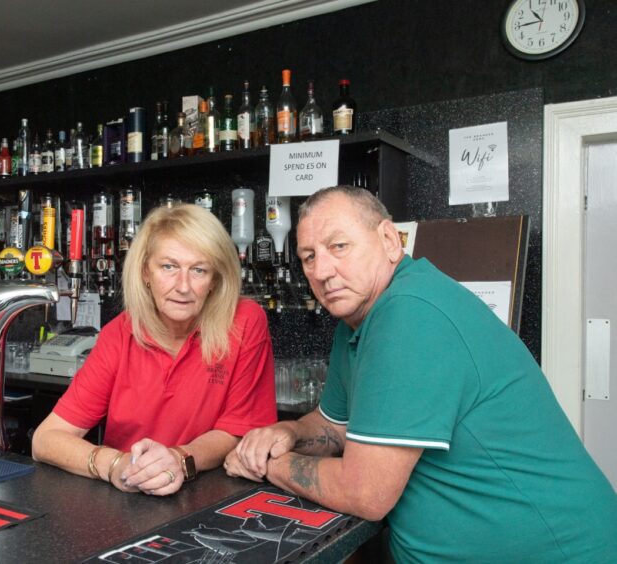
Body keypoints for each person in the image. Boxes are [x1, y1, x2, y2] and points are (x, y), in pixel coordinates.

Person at [225, 186, 617, 562]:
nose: (323, 270)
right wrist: (289, 433)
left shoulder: (410, 313)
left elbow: (365, 492)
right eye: (308, 256)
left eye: (338, 246)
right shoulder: (360, 319)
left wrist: (267, 465)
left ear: (390, 240)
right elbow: (336, 425)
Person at [33, 203, 276, 496]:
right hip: (129, 496)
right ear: (146, 272)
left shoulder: (244, 321)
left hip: (210, 497)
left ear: (215, 280)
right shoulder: (120, 334)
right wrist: (116, 465)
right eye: (168, 267)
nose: (183, 286)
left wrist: (178, 458)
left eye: (198, 270)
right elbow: (45, 440)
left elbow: (238, 432)